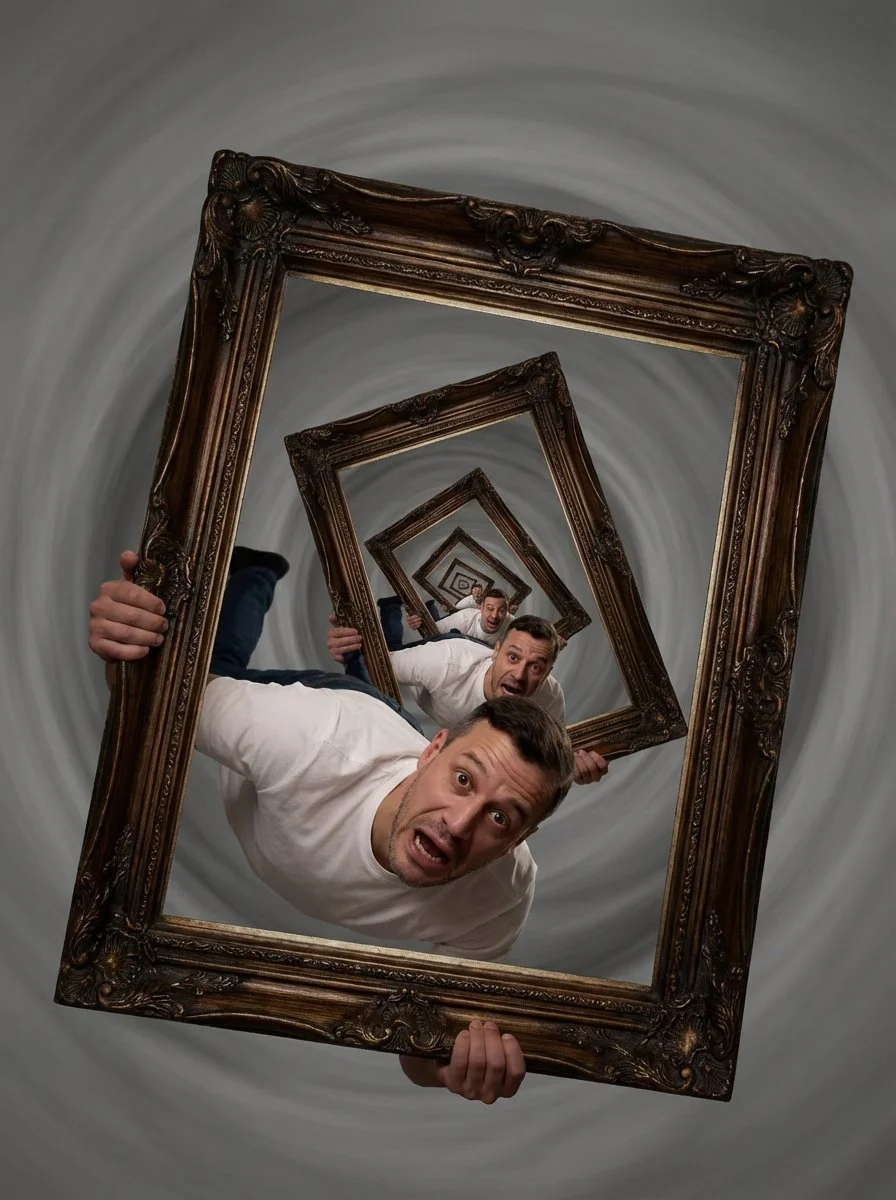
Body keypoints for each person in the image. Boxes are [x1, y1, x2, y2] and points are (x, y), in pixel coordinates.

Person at [88, 547, 585, 1103]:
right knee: (215, 675)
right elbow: (155, 699)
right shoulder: (308, 734)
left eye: (500, 817)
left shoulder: (501, 899)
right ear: (431, 752)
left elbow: (420, 1042)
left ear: (520, 840)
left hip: (382, 742)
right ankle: (256, 572)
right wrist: (125, 647)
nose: (459, 825)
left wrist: (444, 1069)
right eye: (463, 781)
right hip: (347, 710)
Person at [328, 613, 608, 787]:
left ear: (548, 672)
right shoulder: (444, 662)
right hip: (444, 654)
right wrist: (349, 647)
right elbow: (375, 665)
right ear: (495, 652)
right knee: (397, 652)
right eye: (513, 657)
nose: (520, 674)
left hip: (463, 660)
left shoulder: (549, 697)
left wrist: (572, 772)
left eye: (536, 667)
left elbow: (551, 761)